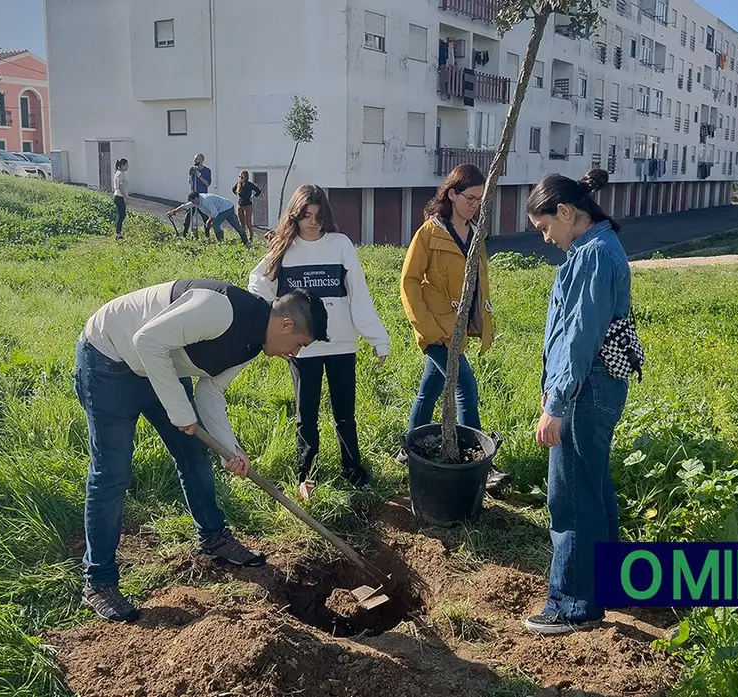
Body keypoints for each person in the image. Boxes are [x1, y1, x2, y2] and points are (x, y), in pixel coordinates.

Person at [76, 279, 329, 622]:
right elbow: (147, 340)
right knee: (113, 473)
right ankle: (99, 582)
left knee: (195, 453)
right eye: (299, 344)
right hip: (110, 360)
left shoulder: (253, 345)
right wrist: (181, 412)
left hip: (160, 363)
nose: (295, 354)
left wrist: (230, 450)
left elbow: (211, 392)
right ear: (286, 324)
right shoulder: (218, 309)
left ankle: (213, 538)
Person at [523, 169, 638, 636]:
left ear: (567, 212)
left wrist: (557, 404)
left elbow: (578, 337)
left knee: (570, 494)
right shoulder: (596, 247)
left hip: (585, 388)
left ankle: (574, 605)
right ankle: (606, 587)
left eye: (545, 227)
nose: (547, 238)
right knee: (592, 485)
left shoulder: (593, 255)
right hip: (594, 386)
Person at [248, 184, 390, 502]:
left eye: (318, 215)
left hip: (342, 345)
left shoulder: (340, 245)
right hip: (303, 348)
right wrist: (267, 324)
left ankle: (354, 472)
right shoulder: (284, 248)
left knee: (345, 414)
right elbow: (258, 283)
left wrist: (377, 338)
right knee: (306, 414)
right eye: (306, 216)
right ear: (295, 216)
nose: (312, 222)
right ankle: (306, 475)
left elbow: (359, 295)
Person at [399, 164, 510, 492]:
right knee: (466, 385)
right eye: (471, 198)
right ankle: (482, 465)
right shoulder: (429, 233)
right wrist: (429, 330)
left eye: (480, 199)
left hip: (458, 330)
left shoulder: (475, 233)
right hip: (435, 330)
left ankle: (407, 450)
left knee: (430, 388)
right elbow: (408, 283)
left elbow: (479, 282)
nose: (476, 204)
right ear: (451, 194)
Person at [166, 192, 249, 246]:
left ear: (197, 198)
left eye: (193, 201)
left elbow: (215, 213)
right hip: (228, 206)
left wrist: (210, 220)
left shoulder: (206, 200)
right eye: (192, 202)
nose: (193, 203)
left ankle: (222, 244)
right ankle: (246, 244)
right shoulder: (196, 201)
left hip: (225, 208)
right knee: (236, 226)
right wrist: (173, 212)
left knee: (216, 224)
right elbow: (185, 206)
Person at [184, 153, 212, 236]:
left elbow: (207, 183)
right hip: (193, 196)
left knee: (205, 217)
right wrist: (191, 176)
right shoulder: (193, 169)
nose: (195, 161)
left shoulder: (207, 170)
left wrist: (199, 175)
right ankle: (185, 233)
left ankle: (207, 235)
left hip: (202, 197)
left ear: (201, 160)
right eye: (195, 159)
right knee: (188, 215)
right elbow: (190, 182)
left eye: (197, 159)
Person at [232, 170, 262, 242]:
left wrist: (253, 197)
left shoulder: (249, 184)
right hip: (240, 205)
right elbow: (233, 190)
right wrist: (238, 195)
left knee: (248, 223)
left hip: (248, 205)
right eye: (239, 176)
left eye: (242, 176)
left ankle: (251, 238)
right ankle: (243, 238)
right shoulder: (238, 184)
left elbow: (258, 191)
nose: (240, 178)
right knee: (241, 223)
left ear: (245, 177)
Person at [112, 158, 130, 239]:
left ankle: (118, 233)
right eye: (126, 165)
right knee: (121, 215)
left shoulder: (118, 173)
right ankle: (118, 234)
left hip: (118, 196)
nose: (127, 167)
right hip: (119, 197)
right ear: (122, 166)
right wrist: (125, 197)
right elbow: (120, 186)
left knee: (121, 215)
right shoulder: (120, 174)